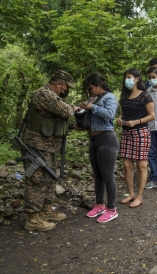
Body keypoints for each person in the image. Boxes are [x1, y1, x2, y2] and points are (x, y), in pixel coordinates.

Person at [20, 70, 79, 231]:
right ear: (59, 83)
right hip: (36, 145)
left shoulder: (51, 96)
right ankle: (32, 218)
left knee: (49, 179)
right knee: (36, 180)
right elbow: (66, 111)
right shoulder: (44, 94)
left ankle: (45, 210)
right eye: (66, 87)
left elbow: (54, 120)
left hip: (47, 146)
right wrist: (76, 107)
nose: (66, 90)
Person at [77, 73, 119, 223]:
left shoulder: (109, 98)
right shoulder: (92, 99)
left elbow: (109, 114)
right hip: (93, 140)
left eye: (91, 88)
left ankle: (112, 209)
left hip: (106, 140)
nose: (89, 91)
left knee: (108, 176)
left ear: (99, 86)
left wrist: (92, 107)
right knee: (98, 176)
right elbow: (90, 119)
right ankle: (100, 204)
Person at [116, 68, 155, 208]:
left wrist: (136, 122)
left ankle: (139, 196)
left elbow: (152, 115)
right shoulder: (124, 97)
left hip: (141, 133)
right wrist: (120, 119)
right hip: (127, 134)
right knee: (127, 166)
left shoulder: (144, 96)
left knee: (141, 167)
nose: (127, 80)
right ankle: (131, 193)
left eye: (130, 77)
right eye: (126, 78)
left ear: (137, 79)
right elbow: (122, 114)